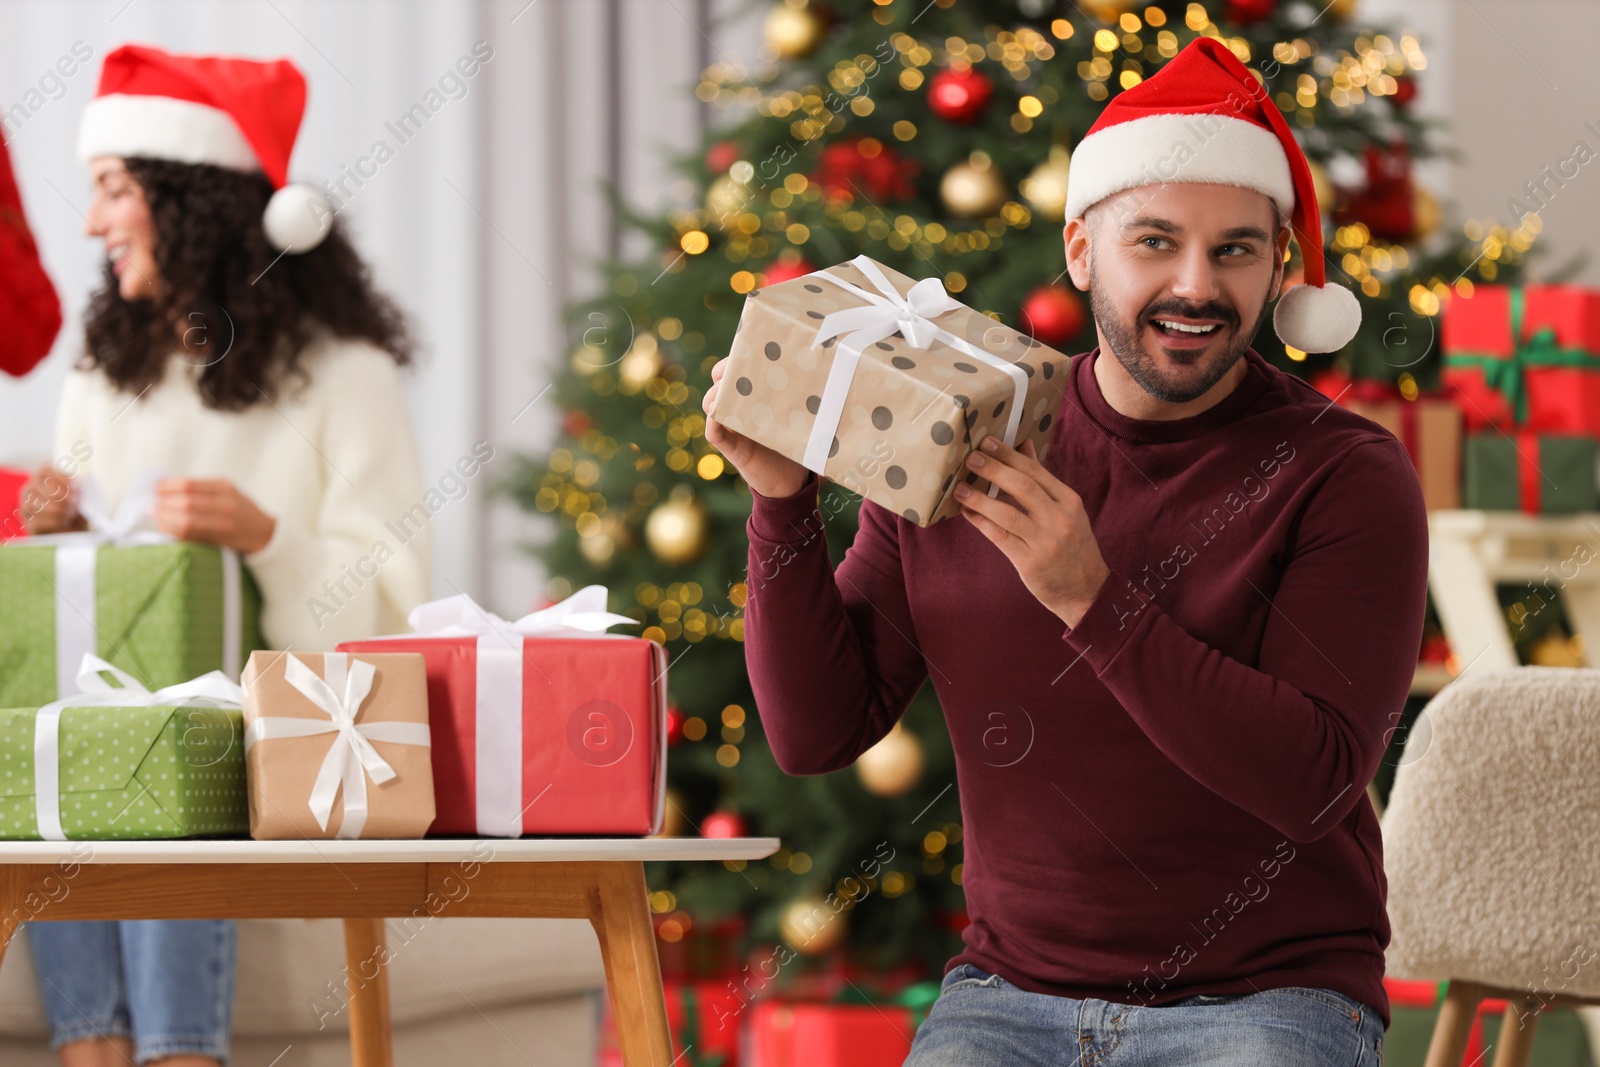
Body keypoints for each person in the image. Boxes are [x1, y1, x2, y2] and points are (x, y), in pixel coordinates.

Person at [706, 37, 1424, 1067]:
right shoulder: (970, 431)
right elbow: (818, 732)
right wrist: (781, 505)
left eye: (1234, 250)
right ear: (1083, 249)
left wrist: (1093, 600)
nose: (1194, 286)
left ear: (1277, 270)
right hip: (1011, 995)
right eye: (1154, 242)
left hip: (1266, 997)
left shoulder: (1345, 476)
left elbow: (1313, 780)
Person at [21, 44, 431, 1067]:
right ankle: (100, 1051)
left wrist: (268, 541)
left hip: (264, 739)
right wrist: (57, 530)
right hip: (115, 724)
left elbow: (393, 618)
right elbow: (83, 602)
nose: (90, 223)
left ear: (190, 200)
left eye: (112, 190)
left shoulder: (347, 375)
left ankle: (175, 1053)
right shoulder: (98, 374)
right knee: (68, 739)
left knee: (164, 738)